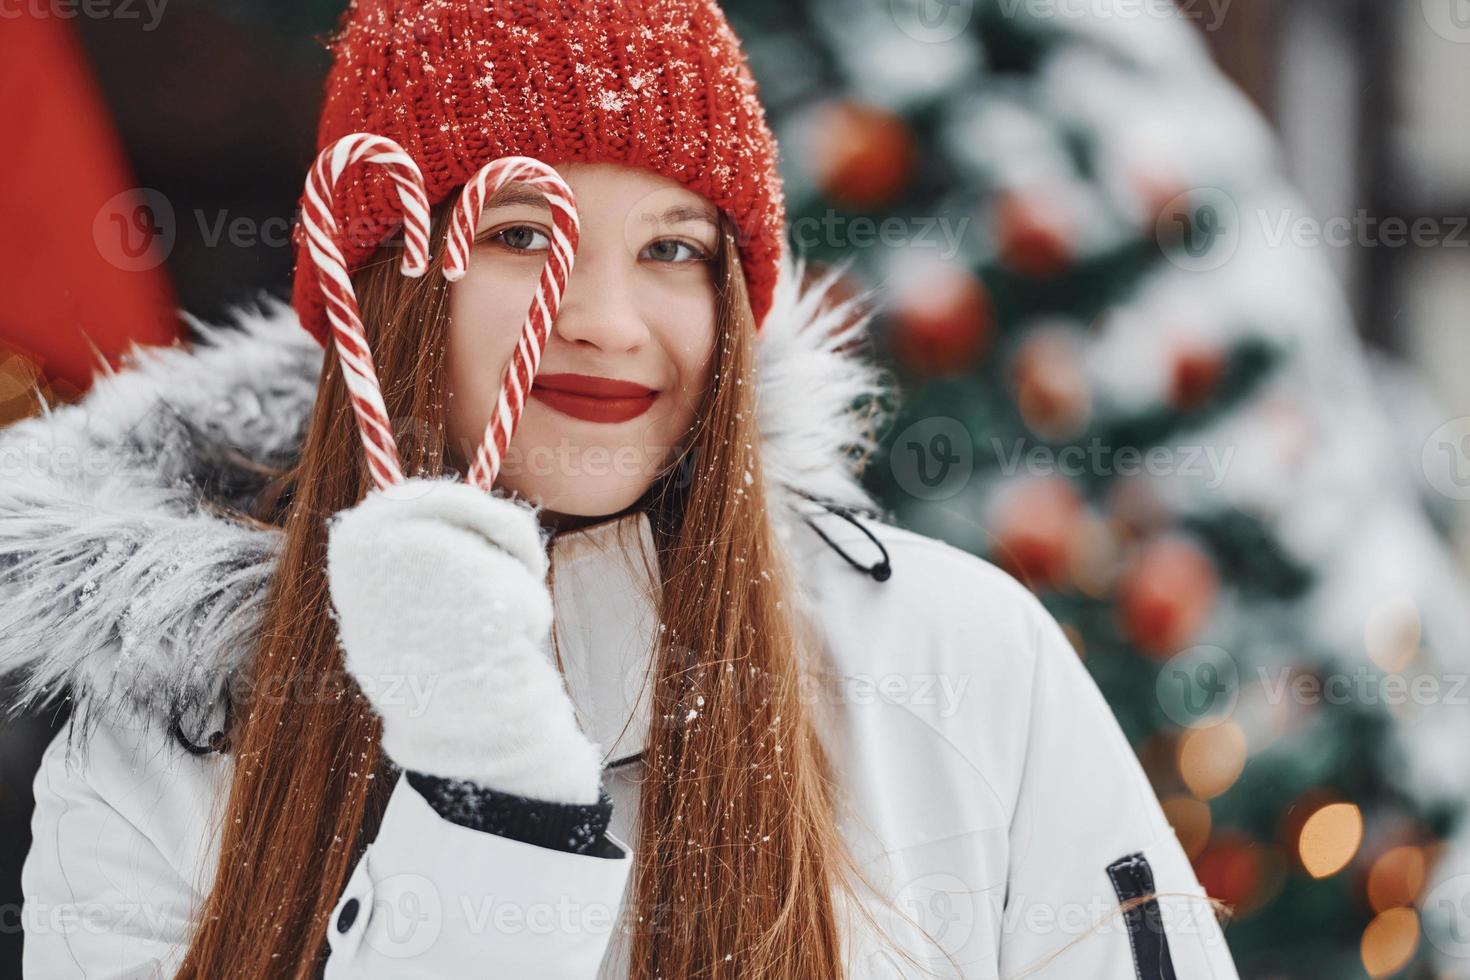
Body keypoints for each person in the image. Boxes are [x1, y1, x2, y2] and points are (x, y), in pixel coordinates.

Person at [4, 1, 1240, 976]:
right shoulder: (165, 743)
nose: (603, 320)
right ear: (385, 278)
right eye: (523, 236)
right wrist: (487, 790)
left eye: (671, 250)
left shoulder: (961, 662)